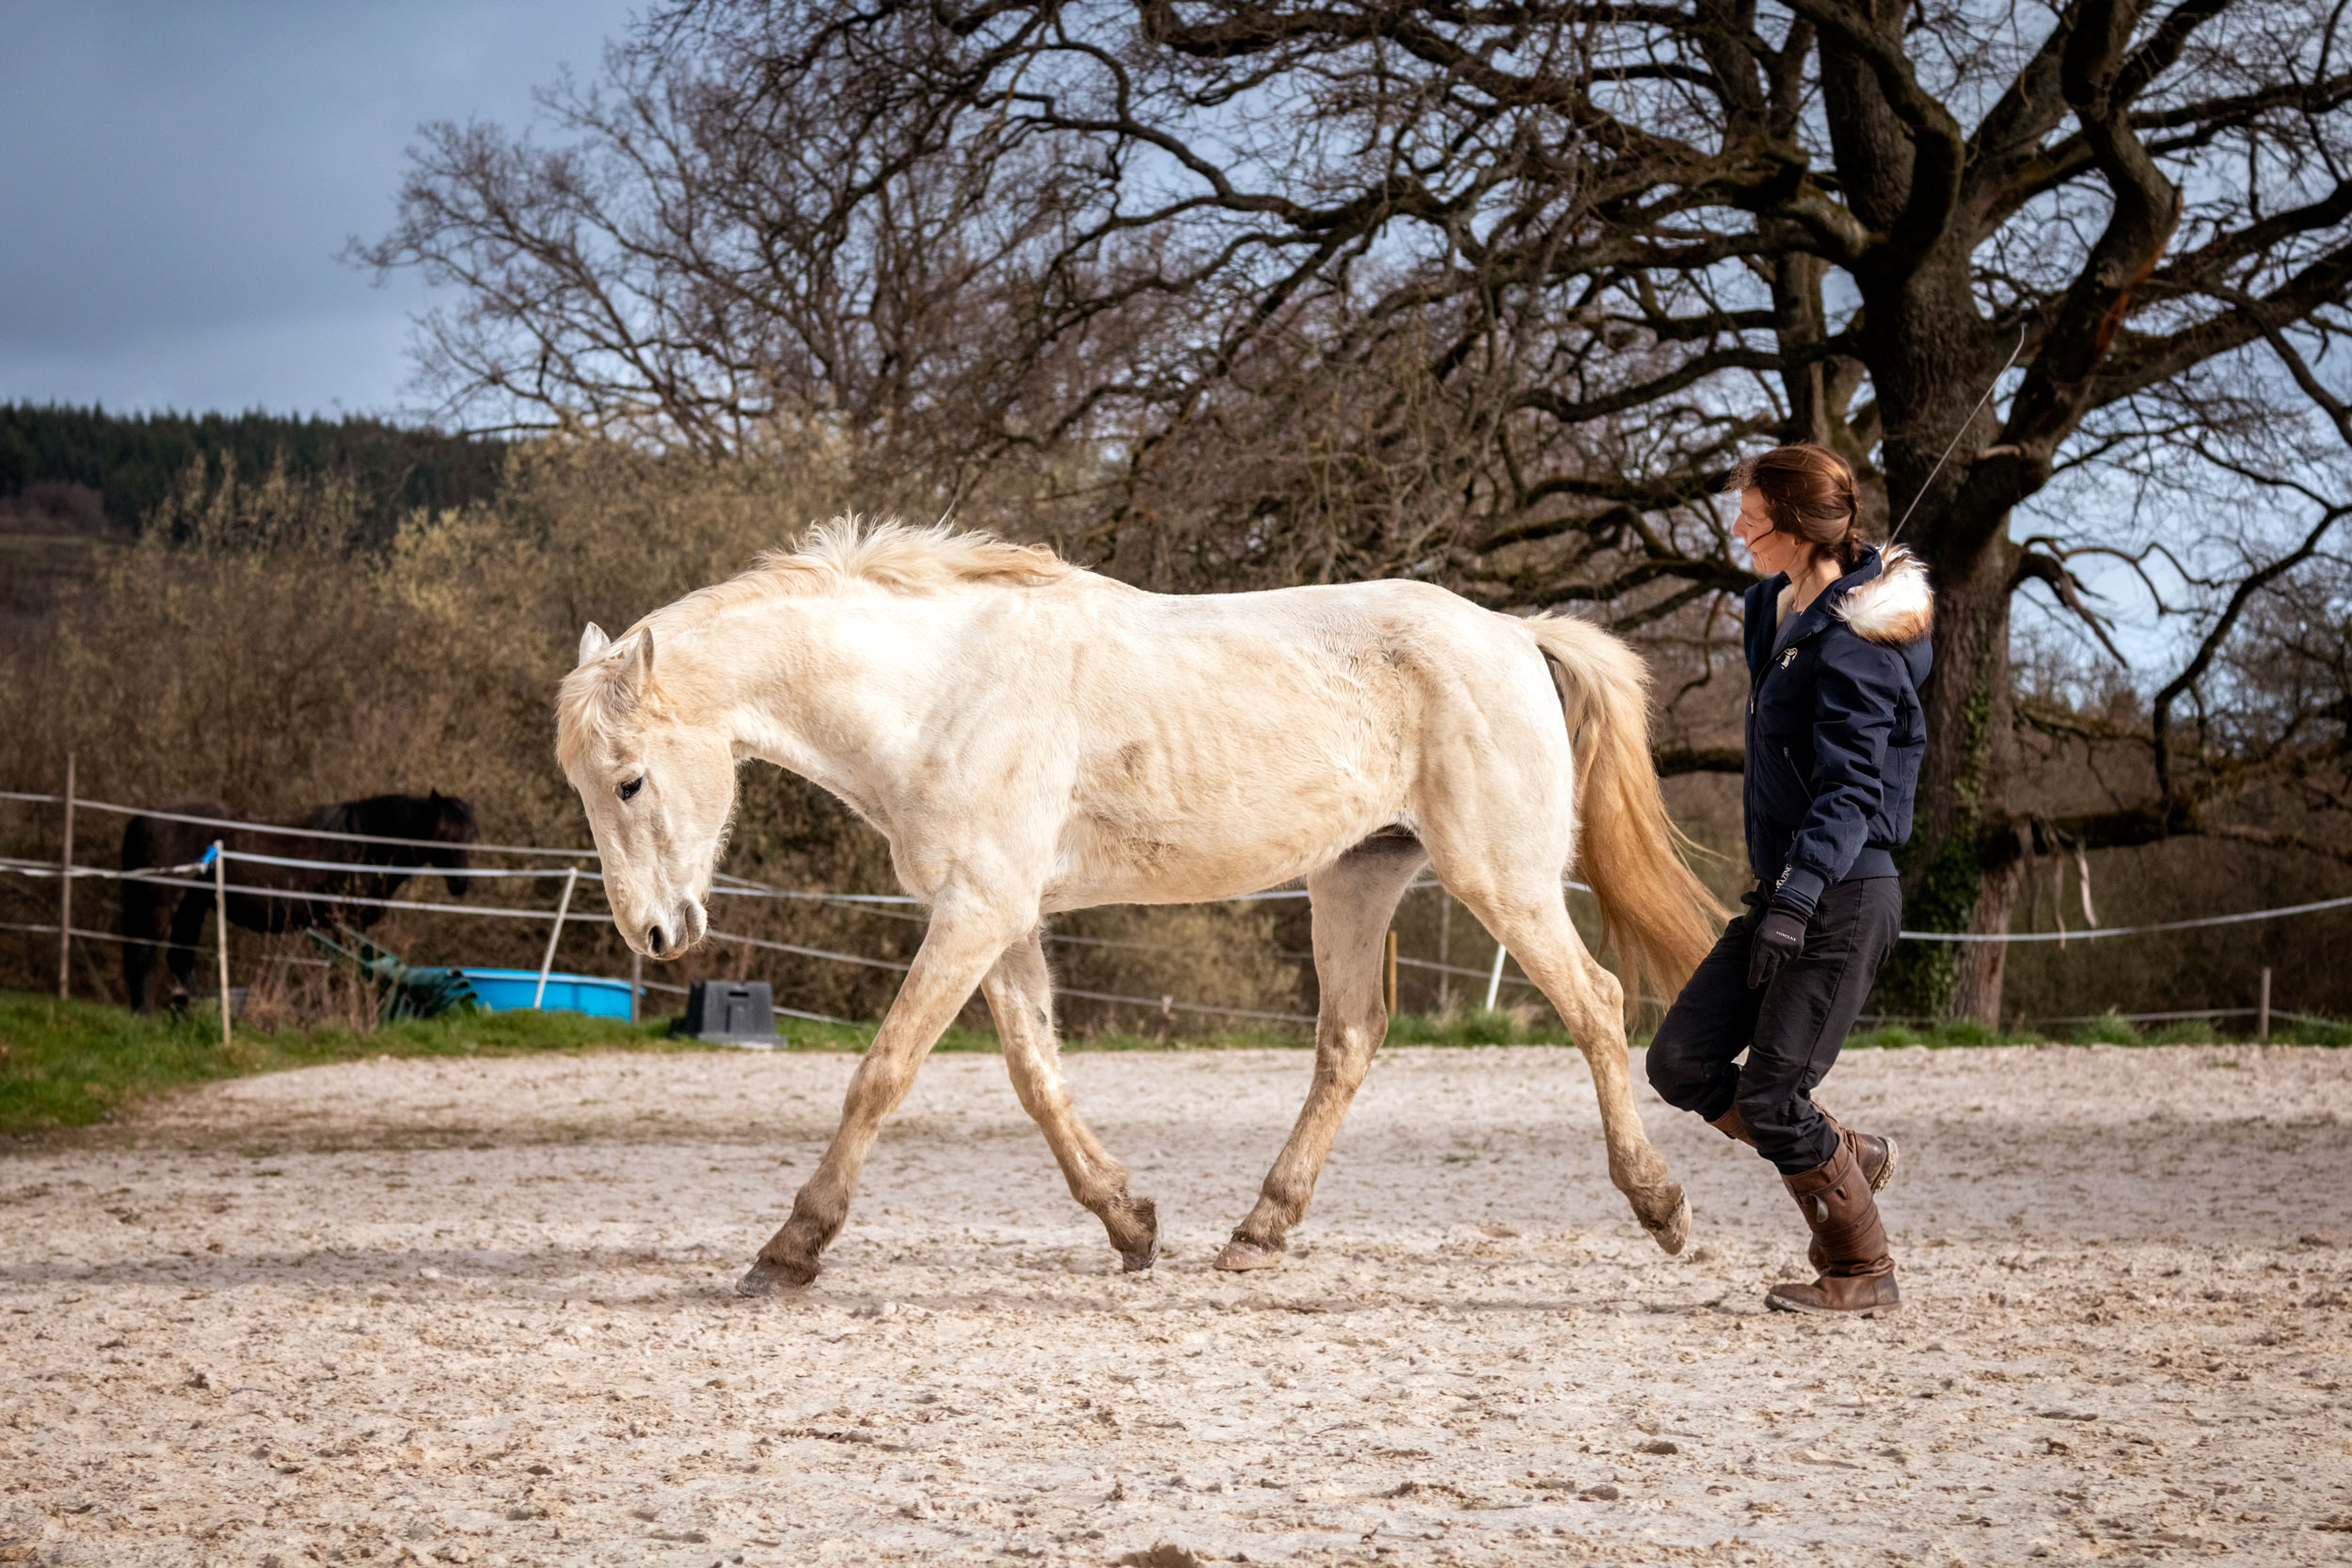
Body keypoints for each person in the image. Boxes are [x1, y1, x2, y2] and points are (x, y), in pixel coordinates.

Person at [1645, 443, 1933, 1316]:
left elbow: (1853, 787)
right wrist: (1780, 896)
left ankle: (1862, 1268)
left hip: (1843, 892)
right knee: (1680, 1060)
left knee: (1772, 1096)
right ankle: (1843, 1148)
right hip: (1785, 890)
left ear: (1802, 529)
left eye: (1754, 517)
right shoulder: (1770, 606)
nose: (1737, 527)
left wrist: (1801, 896)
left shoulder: (1861, 638)